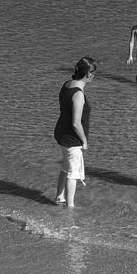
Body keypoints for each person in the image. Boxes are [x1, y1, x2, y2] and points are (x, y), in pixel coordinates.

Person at [54, 56, 97, 209]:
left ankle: (59, 197)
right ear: (89, 74)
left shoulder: (66, 85)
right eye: (93, 73)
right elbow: (76, 123)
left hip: (61, 132)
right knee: (73, 173)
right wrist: (84, 141)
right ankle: (70, 206)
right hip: (72, 138)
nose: (93, 76)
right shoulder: (78, 94)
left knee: (66, 167)